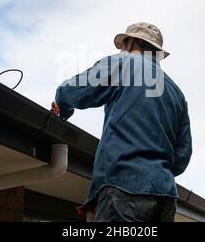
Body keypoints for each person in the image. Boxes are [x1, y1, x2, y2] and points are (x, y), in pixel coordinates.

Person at [51, 22, 192, 222]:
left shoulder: (123, 63)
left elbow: (68, 93)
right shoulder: (177, 94)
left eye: (123, 44)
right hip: (165, 196)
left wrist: (63, 109)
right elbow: (182, 157)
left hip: (124, 186)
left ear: (132, 41)